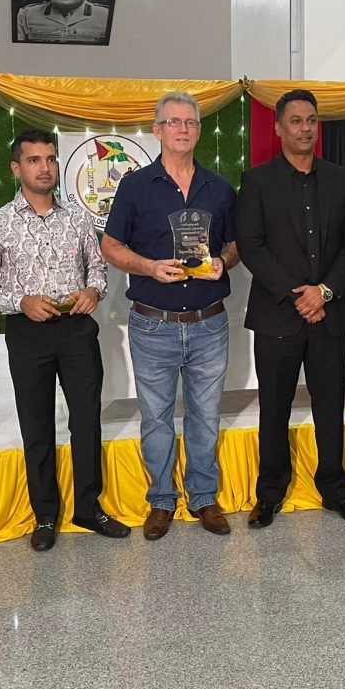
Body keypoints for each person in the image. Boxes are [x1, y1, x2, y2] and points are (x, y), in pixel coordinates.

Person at [0, 128, 129, 551]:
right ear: (16, 167)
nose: (44, 167)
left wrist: (92, 291)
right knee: (37, 424)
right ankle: (45, 515)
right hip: (28, 333)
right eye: (33, 160)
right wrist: (20, 301)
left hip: (77, 329)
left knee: (85, 420)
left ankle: (88, 507)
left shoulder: (78, 218)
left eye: (49, 159)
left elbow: (97, 271)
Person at [101, 91, 239, 540]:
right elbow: (111, 246)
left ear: (199, 131)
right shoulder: (135, 186)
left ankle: (203, 498)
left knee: (205, 415)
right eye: (173, 121)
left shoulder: (219, 188)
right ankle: (161, 500)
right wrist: (147, 267)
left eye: (190, 122)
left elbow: (237, 243)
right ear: (157, 130)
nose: (182, 129)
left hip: (208, 322)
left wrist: (224, 261)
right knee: (156, 417)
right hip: (152, 322)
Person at [236, 89, 345, 528]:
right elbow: (252, 247)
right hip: (279, 315)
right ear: (278, 128)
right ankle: (269, 493)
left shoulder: (342, 179)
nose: (305, 128)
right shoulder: (257, 182)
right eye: (296, 121)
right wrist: (299, 294)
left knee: (329, 406)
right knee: (273, 408)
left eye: (311, 120)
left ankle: (335, 489)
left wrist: (325, 292)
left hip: (330, 315)